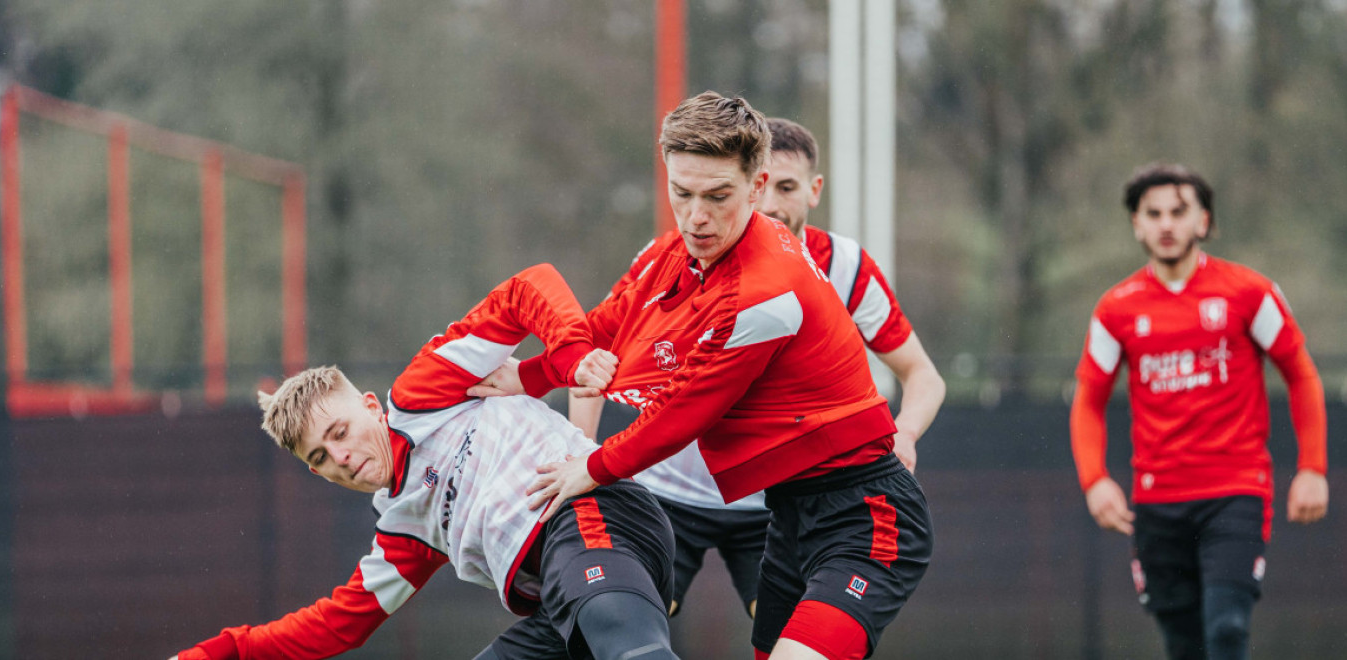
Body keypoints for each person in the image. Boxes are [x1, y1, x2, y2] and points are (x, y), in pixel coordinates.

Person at [497, 92, 932, 660]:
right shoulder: (678, 250)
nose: (697, 216)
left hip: (865, 516)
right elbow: (610, 324)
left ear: (757, 187)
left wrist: (590, 467)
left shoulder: (767, 293)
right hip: (790, 515)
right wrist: (526, 376)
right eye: (682, 193)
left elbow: (688, 411)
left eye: (718, 196)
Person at [169, 264, 678, 660]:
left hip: (592, 515)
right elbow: (336, 627)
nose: (342, 457)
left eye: (340, 432)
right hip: (560, 594)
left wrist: (569, 356)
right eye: (322, 456)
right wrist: (227, 650)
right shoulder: (401, 527)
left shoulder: (421, 392)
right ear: (315, 472)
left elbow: (530, 287)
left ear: (371, 405)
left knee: (626, 646)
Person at [1070, 163, 1329, 660]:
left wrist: (1313, 467)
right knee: (1185, 645)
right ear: (1137, 225)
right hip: (1156, 504)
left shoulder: (1249, 293)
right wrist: (1094, 479)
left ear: (1203, 221)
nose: (1166, 224)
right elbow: (1089, 401)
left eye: (1179, 211)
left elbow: (1301, 373)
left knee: (1227, 630)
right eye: (1154, 213)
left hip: (1235, 494)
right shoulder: (1115, 309)